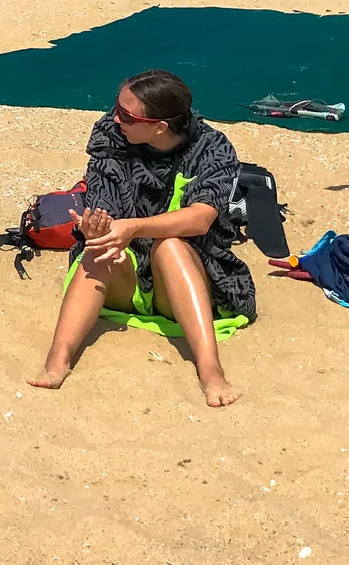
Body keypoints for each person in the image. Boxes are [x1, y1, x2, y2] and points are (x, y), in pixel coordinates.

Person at [29, 71, 253, 408]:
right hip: (126, 273)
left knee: (171, 245)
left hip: (183, 275)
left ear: (159, 127)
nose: (115, 118)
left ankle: (211, 371)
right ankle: (58, 359)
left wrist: (134, 227)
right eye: (117, 107)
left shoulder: (211, 148)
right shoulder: (112, 134)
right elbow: (104, 197)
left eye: (127, 115)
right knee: (101, 249)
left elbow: (201, 218)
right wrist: (96, 226)